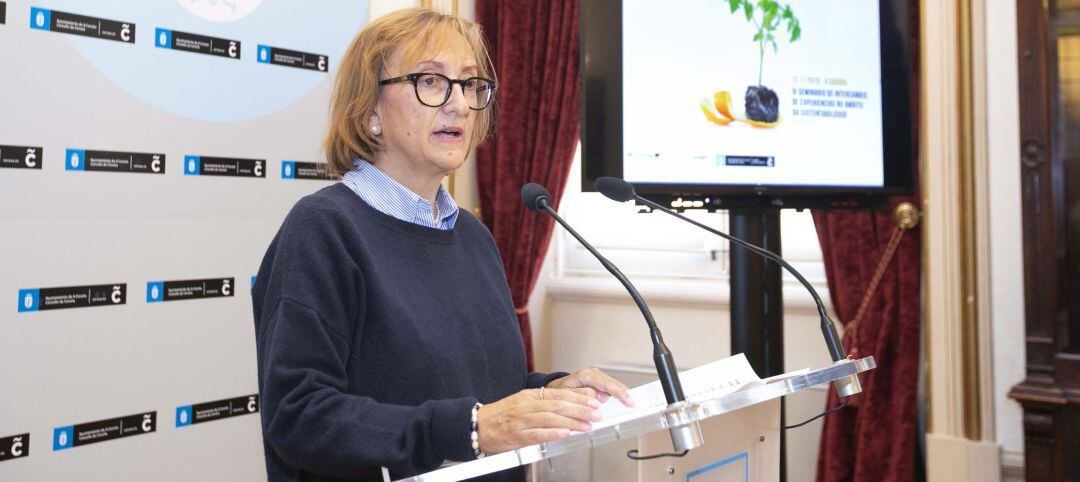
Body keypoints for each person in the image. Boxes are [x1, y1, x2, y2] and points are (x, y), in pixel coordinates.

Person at [252, 9, 633, 482]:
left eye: (471, 85)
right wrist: (469, 428)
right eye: (431, 82)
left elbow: (480, 390)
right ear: (369, 110)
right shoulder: (324, 230)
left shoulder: (472, 235)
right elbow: (298, 415)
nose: (458, 105)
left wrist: (549, 394)